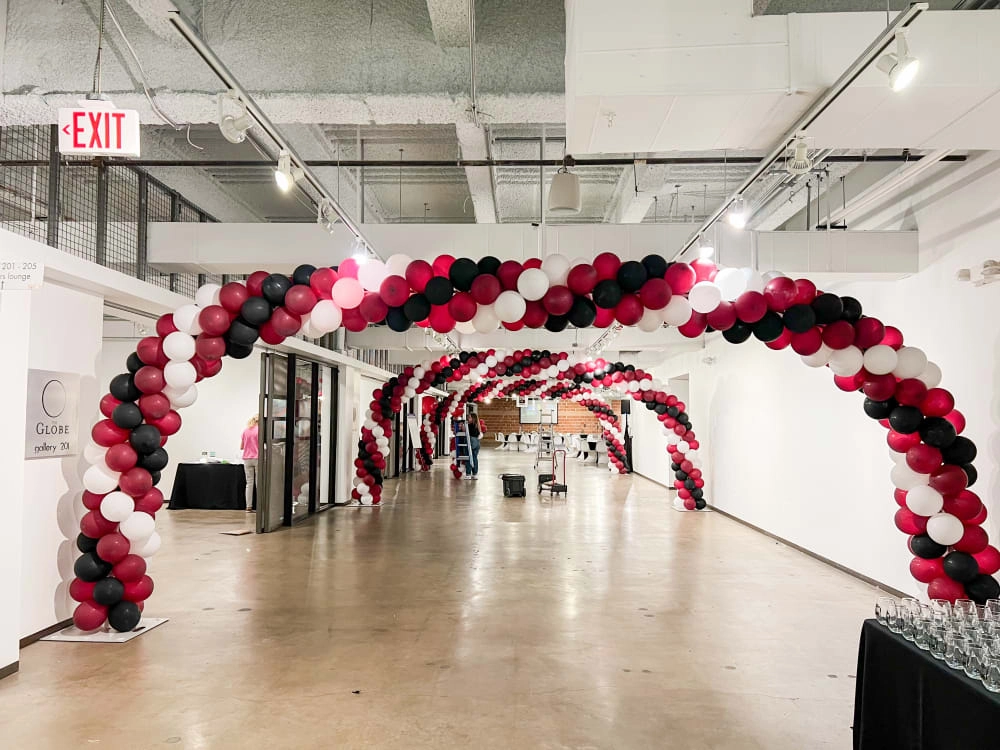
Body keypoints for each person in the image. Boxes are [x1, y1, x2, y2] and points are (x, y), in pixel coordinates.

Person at [241, 415, 259, 512]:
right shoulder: (260, 430)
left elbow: (241, 446)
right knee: (258, 483)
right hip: (257, 458)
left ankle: (248, 507)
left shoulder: (245, 430)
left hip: (247, 459)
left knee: (249, 483)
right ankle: (260, 506)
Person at [465, 410, 486, 480]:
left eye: (470, 417)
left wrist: (463, 427)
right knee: (474, 458)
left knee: (469, 457)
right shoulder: (477, 426)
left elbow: (465, 431)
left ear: (473, 418)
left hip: (471, 442)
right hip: (477, 443)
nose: (468, 419)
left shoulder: (470, 425)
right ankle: (474, 474)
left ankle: (468, 474)